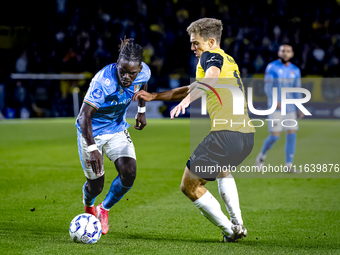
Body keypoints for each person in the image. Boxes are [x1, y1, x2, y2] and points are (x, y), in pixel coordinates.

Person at [133, 18, 255, 242]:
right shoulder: (228, 59)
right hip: (246, 138)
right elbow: (194, 85)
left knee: (189, 186)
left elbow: (210, 79)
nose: (192, 48)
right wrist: (156, 96)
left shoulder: (212, 56)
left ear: (210, 42)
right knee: (222, 170)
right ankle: (237, 223)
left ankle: (231, 231)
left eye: (195, 43)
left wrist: (187, 102)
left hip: (225, 135)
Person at [75, 38, 151, 235]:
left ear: (140, 69)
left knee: (129, 173)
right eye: (122, 71)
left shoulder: (144, 72)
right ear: (117, 64)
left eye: (132, 73)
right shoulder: (103, 81)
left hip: (116, 129)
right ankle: (89, 204)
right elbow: (84, 116)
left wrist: (141, 110)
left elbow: (143, 85)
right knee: (96, 186)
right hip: (91, 132)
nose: (126, 76)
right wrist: (92, 149)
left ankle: (104, 208)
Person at [255, 44, 304, 172]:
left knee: (291, 134)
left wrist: (300, 106)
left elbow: (296, 90)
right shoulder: (272, 67)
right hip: (276, 107)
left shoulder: (295, 70)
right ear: (279, 53)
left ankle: (288, 166)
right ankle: (261, 155)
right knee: (275, 136)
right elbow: (268, 87)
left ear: (292, 54)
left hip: (291, 107)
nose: (285, 53)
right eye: (283, 51)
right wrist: (274, 100)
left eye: (288, 51)